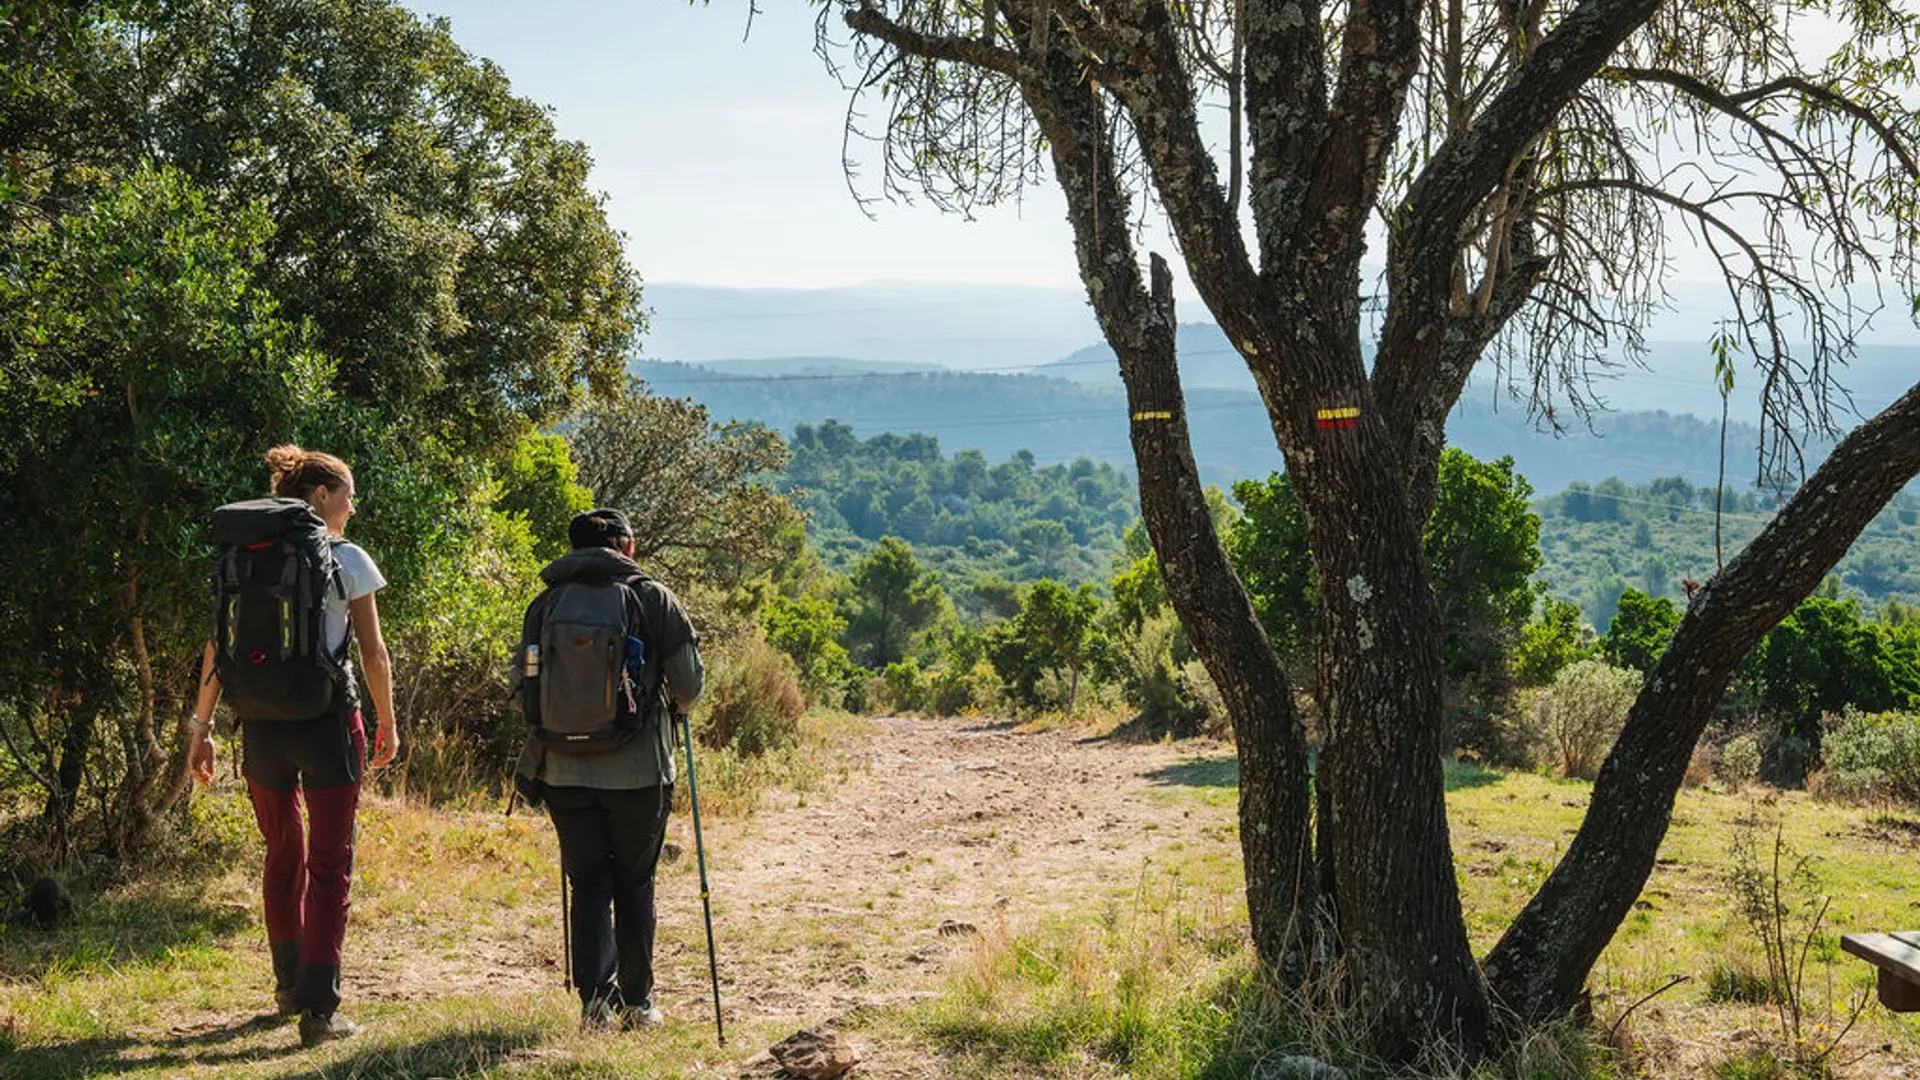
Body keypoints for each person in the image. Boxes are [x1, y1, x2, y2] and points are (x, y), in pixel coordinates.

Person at [186, 445, 399, 1047]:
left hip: (259, 725)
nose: (353, 508)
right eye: (348, 496)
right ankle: (320, 1012)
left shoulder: (246, 555)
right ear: (321, 496)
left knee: (282, 852)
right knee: (330, 864)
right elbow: (374, 653)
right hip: (327, 722)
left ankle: (287, 987)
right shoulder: (347, 558)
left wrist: (201, 730)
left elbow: (216, 647)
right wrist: (388, 721)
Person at [514, 508, 703, 1031]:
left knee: (588, 882)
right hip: (639, 773)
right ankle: (637, 1005)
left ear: (573, 549)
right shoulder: (653, 598)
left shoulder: (545, 604)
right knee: (635, 881)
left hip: (561, 770)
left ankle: (594, 1004)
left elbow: (523, 690)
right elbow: (689, 687)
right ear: (626, 546)